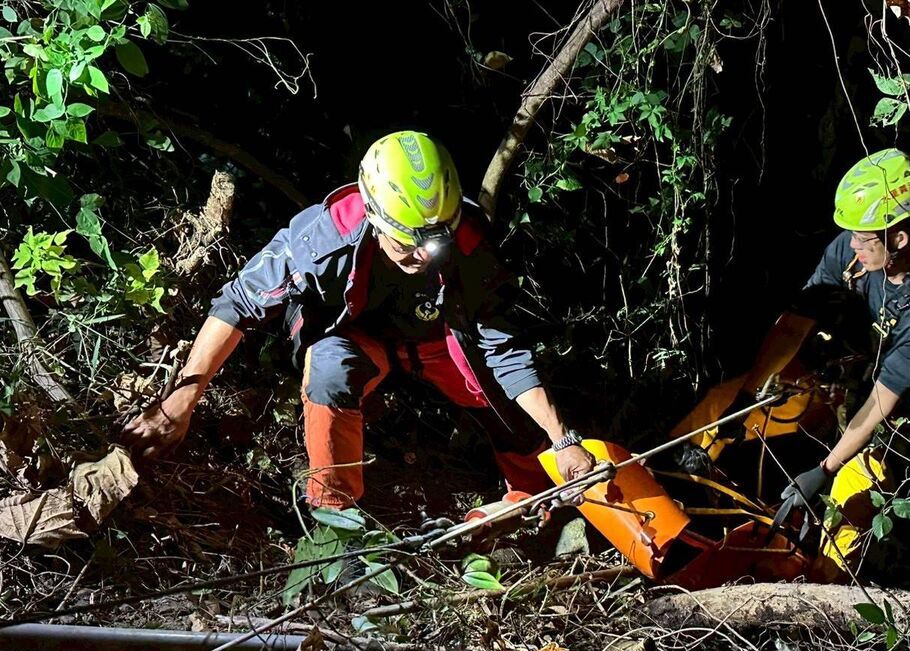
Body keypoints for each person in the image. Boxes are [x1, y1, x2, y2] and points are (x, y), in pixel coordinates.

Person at [122, 130, 595, 509]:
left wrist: (563, 439)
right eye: (406, 240)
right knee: (328, 369)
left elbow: (503, 347)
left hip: (441, 341)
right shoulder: (322, 236)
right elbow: (239, 302)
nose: (421, 255)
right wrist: (178, 404)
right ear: (373, 213)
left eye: (435, 243)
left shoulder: (468, 241)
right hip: (357, 337)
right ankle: (336, 515)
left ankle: (539, 502)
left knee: (505, 397)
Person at [722, 149, 910, 527]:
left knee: (860, 487)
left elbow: (883, 399)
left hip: (903, 404)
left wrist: (824, 471)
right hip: (851, 368)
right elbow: (796, 323)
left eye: (863, 239)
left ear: (898, 239)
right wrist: (747, 396)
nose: (853, 246)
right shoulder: (852, 251)